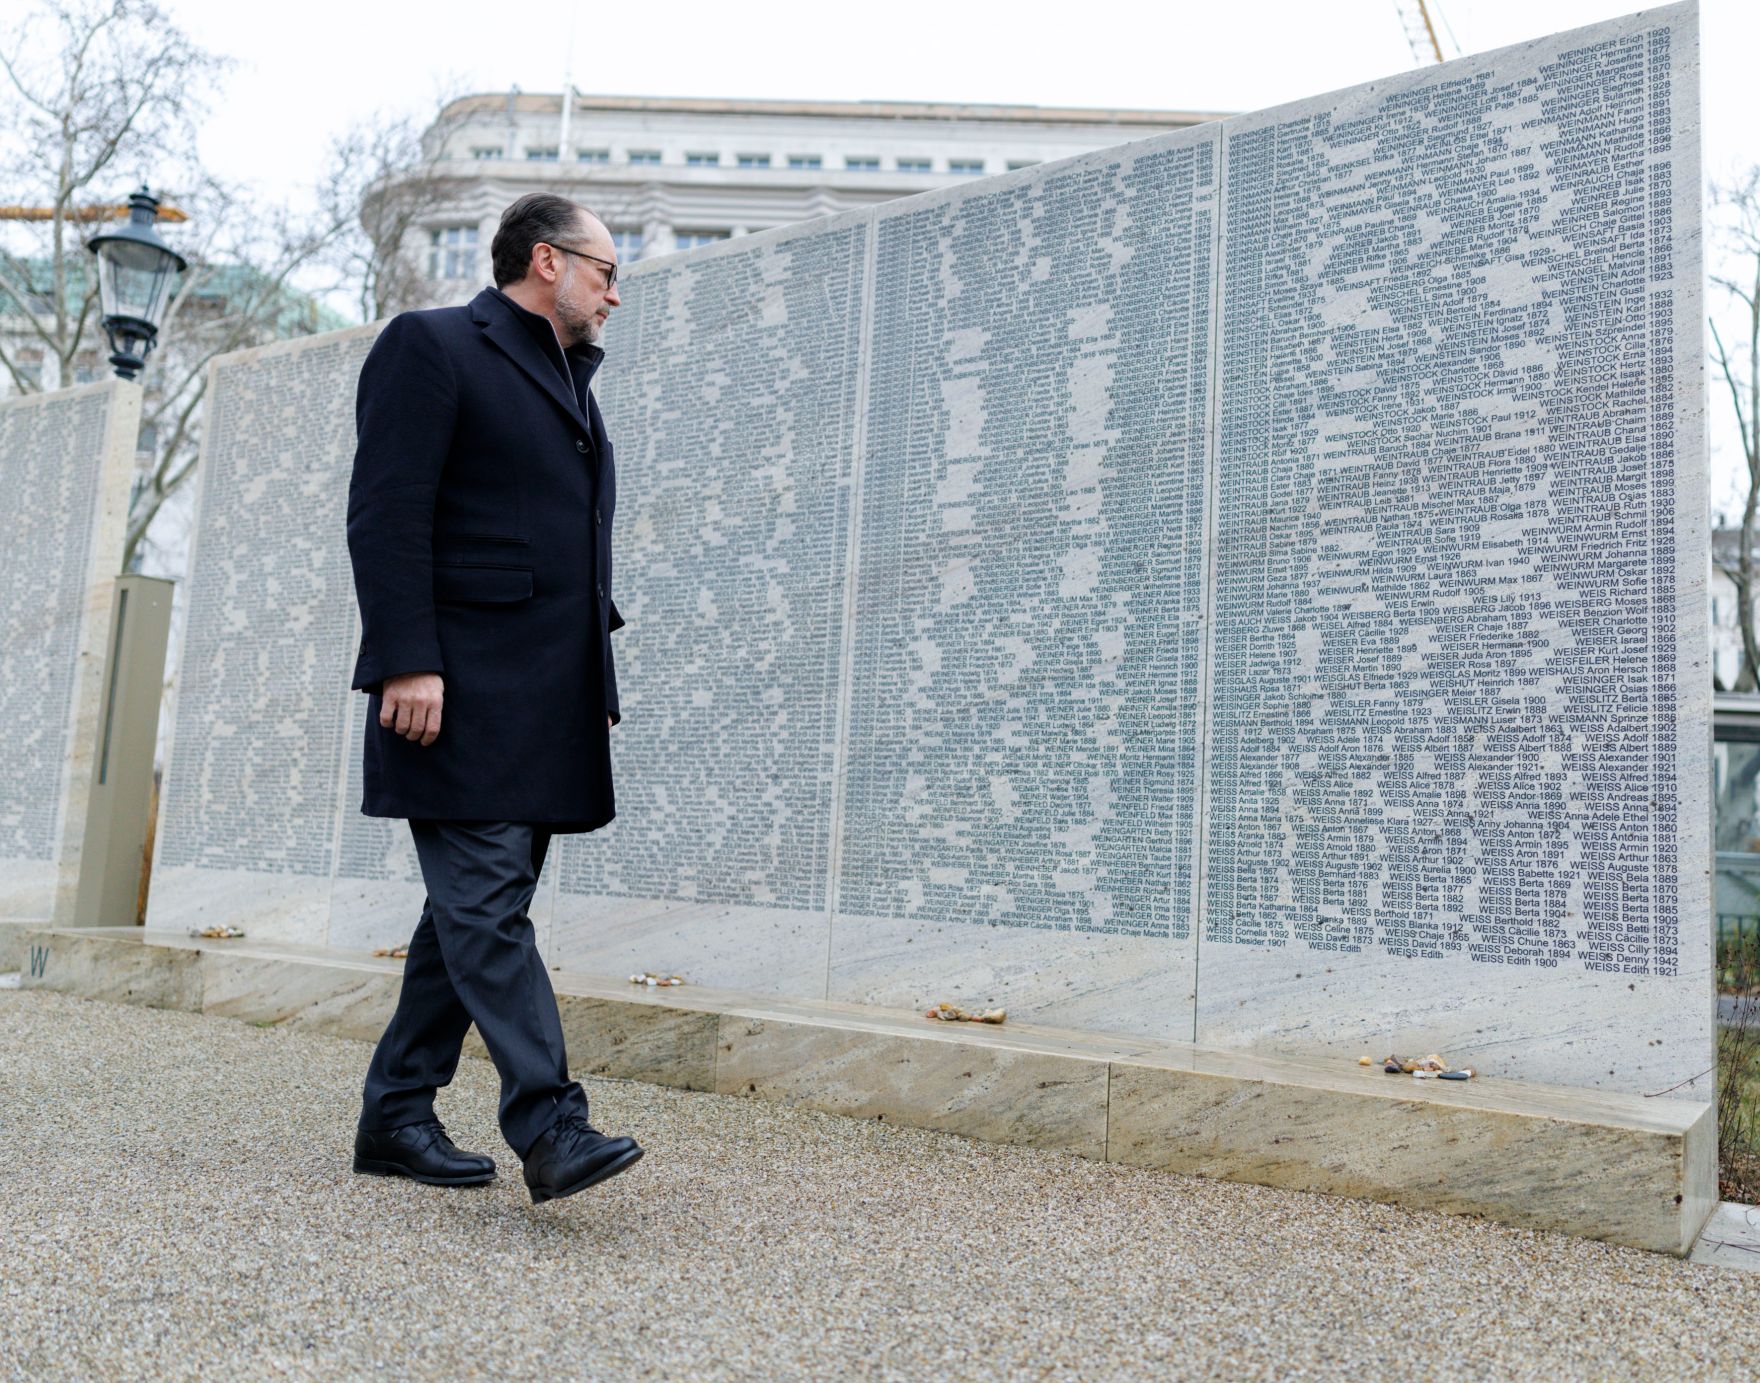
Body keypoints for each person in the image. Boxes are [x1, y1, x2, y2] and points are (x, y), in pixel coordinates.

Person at [344, 192, 641, 1204]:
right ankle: (549, 1123)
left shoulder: (572, 386)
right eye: (607, 269)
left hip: (545, 699)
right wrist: (405, 659)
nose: (615, 291)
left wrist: (591, 682)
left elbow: (574, 560)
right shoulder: (430, 346)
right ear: (547, 261)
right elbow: (386, 514)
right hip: (455, 690)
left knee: (473, 910)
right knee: (483, 905)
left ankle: (395, 1114)